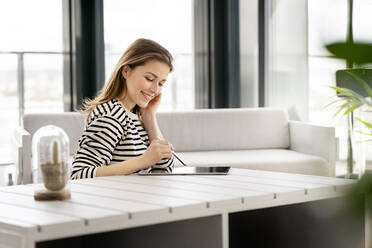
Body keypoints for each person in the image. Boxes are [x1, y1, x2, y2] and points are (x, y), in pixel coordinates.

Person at [71, 38, 175, 179]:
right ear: (126, 71)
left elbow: (164, 169)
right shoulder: (111, 116)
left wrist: (150, 116)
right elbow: (79, 175)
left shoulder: (137, 114)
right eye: (149, 79)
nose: (155, 90)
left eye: (161, 83)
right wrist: (142, 161)